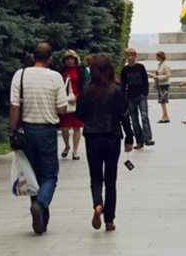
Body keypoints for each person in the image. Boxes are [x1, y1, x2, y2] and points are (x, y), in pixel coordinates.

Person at [9, 41, 67, 235]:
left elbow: (15, 106)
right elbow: (62, 109)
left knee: (32, 175)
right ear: (50, 59)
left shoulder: (20, 75)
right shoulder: (56, 77)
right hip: (47, 131)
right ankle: (41, 207)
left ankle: (41, 220)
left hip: (26, 131)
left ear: (33, 57)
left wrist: (13, 129)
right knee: (49, 175)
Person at [75, 53, 134, 232]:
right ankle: (109, 220)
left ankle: (97, 204)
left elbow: (79, 114)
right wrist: (129, 137)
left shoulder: (86, 90)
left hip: (92, 136)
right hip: (112, 136)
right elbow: (124, 115)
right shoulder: (117, 89)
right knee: (110, 179)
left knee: (95, 177)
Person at [120, 48, 154, 147]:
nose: (130, 57)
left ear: (135, 56)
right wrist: (124, 96)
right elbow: (123, 84)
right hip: (130, 96)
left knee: (144, 117)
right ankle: (139, 141)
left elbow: (145, 80)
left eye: (132, 55)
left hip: (141, 95)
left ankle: (148, 138)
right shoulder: (124, 70)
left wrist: (145, 92)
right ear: (126, 57)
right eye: (128, 55)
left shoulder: (140, 67)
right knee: (134, 120)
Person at [60, 49, 85, 159]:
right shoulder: (62, 71)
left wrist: (76, 97)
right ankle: (67, 146)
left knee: (76, 127)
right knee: (64, 128)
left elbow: (83, 86)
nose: (70, 61)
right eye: (67, 59)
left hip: (76, 100)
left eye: (71, 59)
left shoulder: (79, 71)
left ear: (75, 60)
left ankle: (75, 151)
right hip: (64, 100)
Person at [148, 51, 171, 123]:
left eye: (157, 56)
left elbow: (167, 75)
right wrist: (152, 75)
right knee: (162, 101)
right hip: (160, 84)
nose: (156, 58)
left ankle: (165, 116)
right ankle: (165, 115)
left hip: (164, 84)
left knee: (162, 100)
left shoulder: (165, 65)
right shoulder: (160, 65)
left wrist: (157, 77)